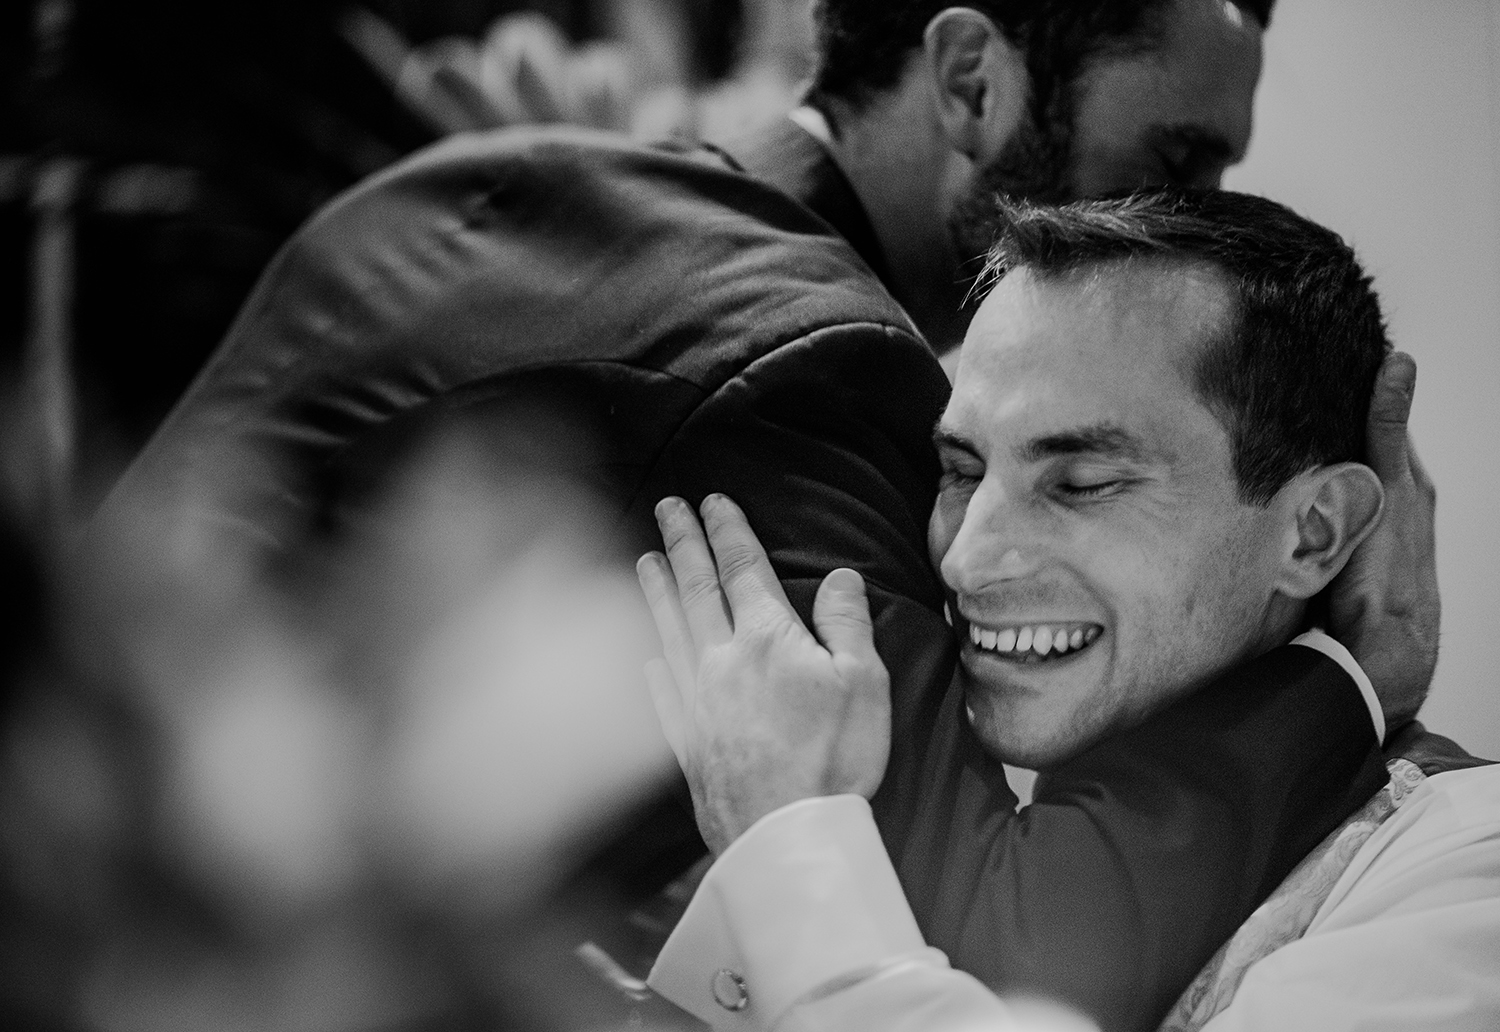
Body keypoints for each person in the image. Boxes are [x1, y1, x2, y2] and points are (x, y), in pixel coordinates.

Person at [89, 1, 1432, 1029]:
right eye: (1174, 162)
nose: (1194, 229)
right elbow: (1015, 947)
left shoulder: (532, 173)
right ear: (970, 81)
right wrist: (1347, 674)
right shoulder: (812, 360)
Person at [638, 190, 1496, 1032]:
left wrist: (786, 853)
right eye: (963, 471)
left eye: (1082, 484)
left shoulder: (1470, 873)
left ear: (1313, 533)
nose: (968, 559)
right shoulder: (917, 777)